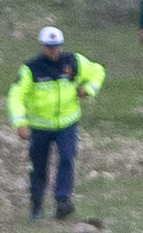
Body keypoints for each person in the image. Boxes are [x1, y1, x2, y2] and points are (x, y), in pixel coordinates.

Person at [7, 26, 106, 221]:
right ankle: (36, 206)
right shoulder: (30, 69)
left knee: (67, 158)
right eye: (50, 47)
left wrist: (88, 90)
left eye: (57, 47)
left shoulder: (73, 62)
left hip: (67, 124)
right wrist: (19, 123)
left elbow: (98, 72)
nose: (54, 51)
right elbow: (15, 95)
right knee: (38, 167)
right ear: (42, 46)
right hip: (40, 127)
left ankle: (62, 202)